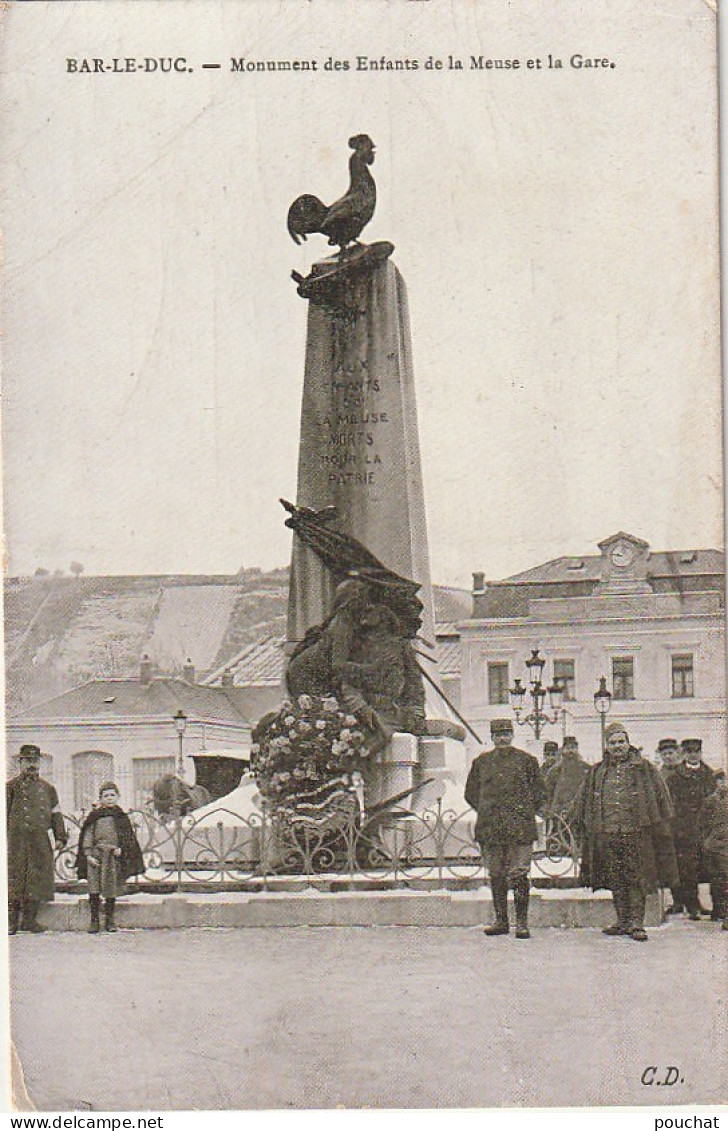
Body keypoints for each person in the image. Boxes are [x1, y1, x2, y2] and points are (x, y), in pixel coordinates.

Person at [572, 721, 677, 942]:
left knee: (636, 877)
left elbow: (661, 798)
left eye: (622, 742)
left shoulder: (645, 768)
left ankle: (637, 923)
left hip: (637, 833)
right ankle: (622, 921)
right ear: (606, 745)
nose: (618, 746)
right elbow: (584, 800)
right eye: (613, 742)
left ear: (628, 743)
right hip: (608, 832)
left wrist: (658, 827)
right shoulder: (598, 771)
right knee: (616, 877)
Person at [464, 718, 545, 940]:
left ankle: (522, 923)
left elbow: (539, 793)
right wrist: (488, 810)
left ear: (512, 735)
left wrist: (523, 811)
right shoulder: (481, 762)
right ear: (492, 737)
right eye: (498, 734)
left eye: (506, 733)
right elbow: (470, 793)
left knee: (519, 874)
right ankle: (501, 920)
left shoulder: (527, 761)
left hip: (519, 827)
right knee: (497, 874)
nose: (502, 738)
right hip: (492, 828)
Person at [6, 744, 67, 934]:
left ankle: (30, 921)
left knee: (36, 878)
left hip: (39, 840)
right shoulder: (10, 787)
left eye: (35, 761)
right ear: (20, 762)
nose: (31, 765)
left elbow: (56, 813)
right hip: (16, 841)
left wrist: (60, 836)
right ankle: (11, 922)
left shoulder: (48, 789)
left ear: (39, 763)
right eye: (27, 761)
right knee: (15, 878)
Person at [75, 782, 145, 933]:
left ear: (118, 797)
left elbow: (127, 837)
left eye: (112, 795)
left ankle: (109, 920)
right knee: (94, 888)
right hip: (96, 857)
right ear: (100, 798)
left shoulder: (121, 816)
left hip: (113, 857)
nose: (109, 798)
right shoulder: (95, 816)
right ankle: (94, 921)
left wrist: (122, 849)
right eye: (105, 795)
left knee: (110, 887)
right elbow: (88, 836)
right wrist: (88, 854)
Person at [663, 739, 716, 919]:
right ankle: (691, 904)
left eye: (697, 751)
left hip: (705, 828)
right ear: (684, 753)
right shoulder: (675, 777)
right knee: (687, 868)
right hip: (684, 829)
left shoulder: (709, 774)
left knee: (706, 866)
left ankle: (708, 905)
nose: (693, 754)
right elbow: (671, 804)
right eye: (690, 751)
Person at [699, 771, 728, 928]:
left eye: (724, 780)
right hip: (713, 846)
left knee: (725, 879)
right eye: (719, 780)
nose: (722, 783)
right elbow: (702, 823)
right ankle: (718, 910)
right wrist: (706, 842)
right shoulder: (710, 801)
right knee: (716, 879)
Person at [544, 736, 588, 817]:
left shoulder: (586, 769)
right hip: (559, 813)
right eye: (568, 748)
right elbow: (548, 793)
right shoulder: (555, 771)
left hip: (580, 813)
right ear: (563, 750)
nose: (570, 751)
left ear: (577, 749)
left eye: (573, 748)